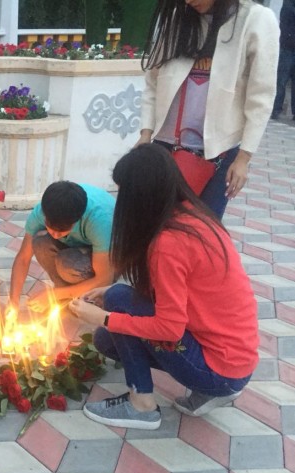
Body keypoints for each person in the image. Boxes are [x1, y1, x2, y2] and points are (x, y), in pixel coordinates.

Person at [69, 144, 258, 430]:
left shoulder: (168, 243)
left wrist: (104, 317)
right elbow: (176, 292)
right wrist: (108, 300)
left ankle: (142, 405)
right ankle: (214, 389)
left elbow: (170, 328)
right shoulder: (193, 214)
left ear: (141, 197)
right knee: (106, 340)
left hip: (220, 368)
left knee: (119, 301)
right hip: (237, 359)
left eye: (125, 193)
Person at [136, 0, 279, 219]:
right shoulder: (177, 17)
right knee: (155, 223)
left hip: (218, 153)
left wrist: (243, 158)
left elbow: (261, 97)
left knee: (204, 228)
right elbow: (153, 81)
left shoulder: (256, 19)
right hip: (164, 146)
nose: (188, 1)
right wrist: (145, 134)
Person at [6, 181, 115, 320]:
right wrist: (13, 303)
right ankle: (67, 297)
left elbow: (104, 279)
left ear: (77, 220)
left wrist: (54, 294)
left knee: (68, 264)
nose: (55, 235)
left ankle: (88, 298)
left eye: (63, 230)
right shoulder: (42, 211)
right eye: (50, 227)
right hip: (81, 244)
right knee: (40, 241)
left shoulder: (99, 220)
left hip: (112, 255)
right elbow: (23, 258)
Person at [272, 0, 295, 120]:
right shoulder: (288, 5)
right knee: (281, 81)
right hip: (287, 48)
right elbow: (286, 20)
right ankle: (276, 110)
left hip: (289, 48)